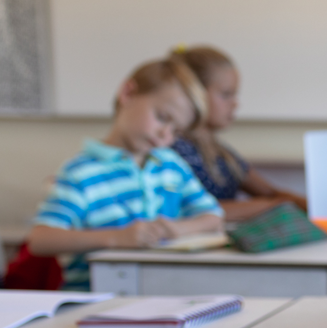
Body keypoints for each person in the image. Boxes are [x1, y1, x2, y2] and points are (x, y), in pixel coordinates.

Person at [27, 57, 224, 290]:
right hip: (95, 298)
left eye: (176, 131)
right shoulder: (81, 172)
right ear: (128, 93)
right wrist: (117, 238)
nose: (165, 135)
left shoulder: (171, 165)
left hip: (159, 294)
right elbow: (41, 240)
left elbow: (213, 216)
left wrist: (177, 229)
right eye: (162, 117)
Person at [169, 46, 307, 222]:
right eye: (226, 95)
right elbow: (196, 209)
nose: (235, 104)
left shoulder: (222, 153)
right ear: (195, 94)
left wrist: (311, 206)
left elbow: (270, 192)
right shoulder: (176, 150)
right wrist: (275, 206)